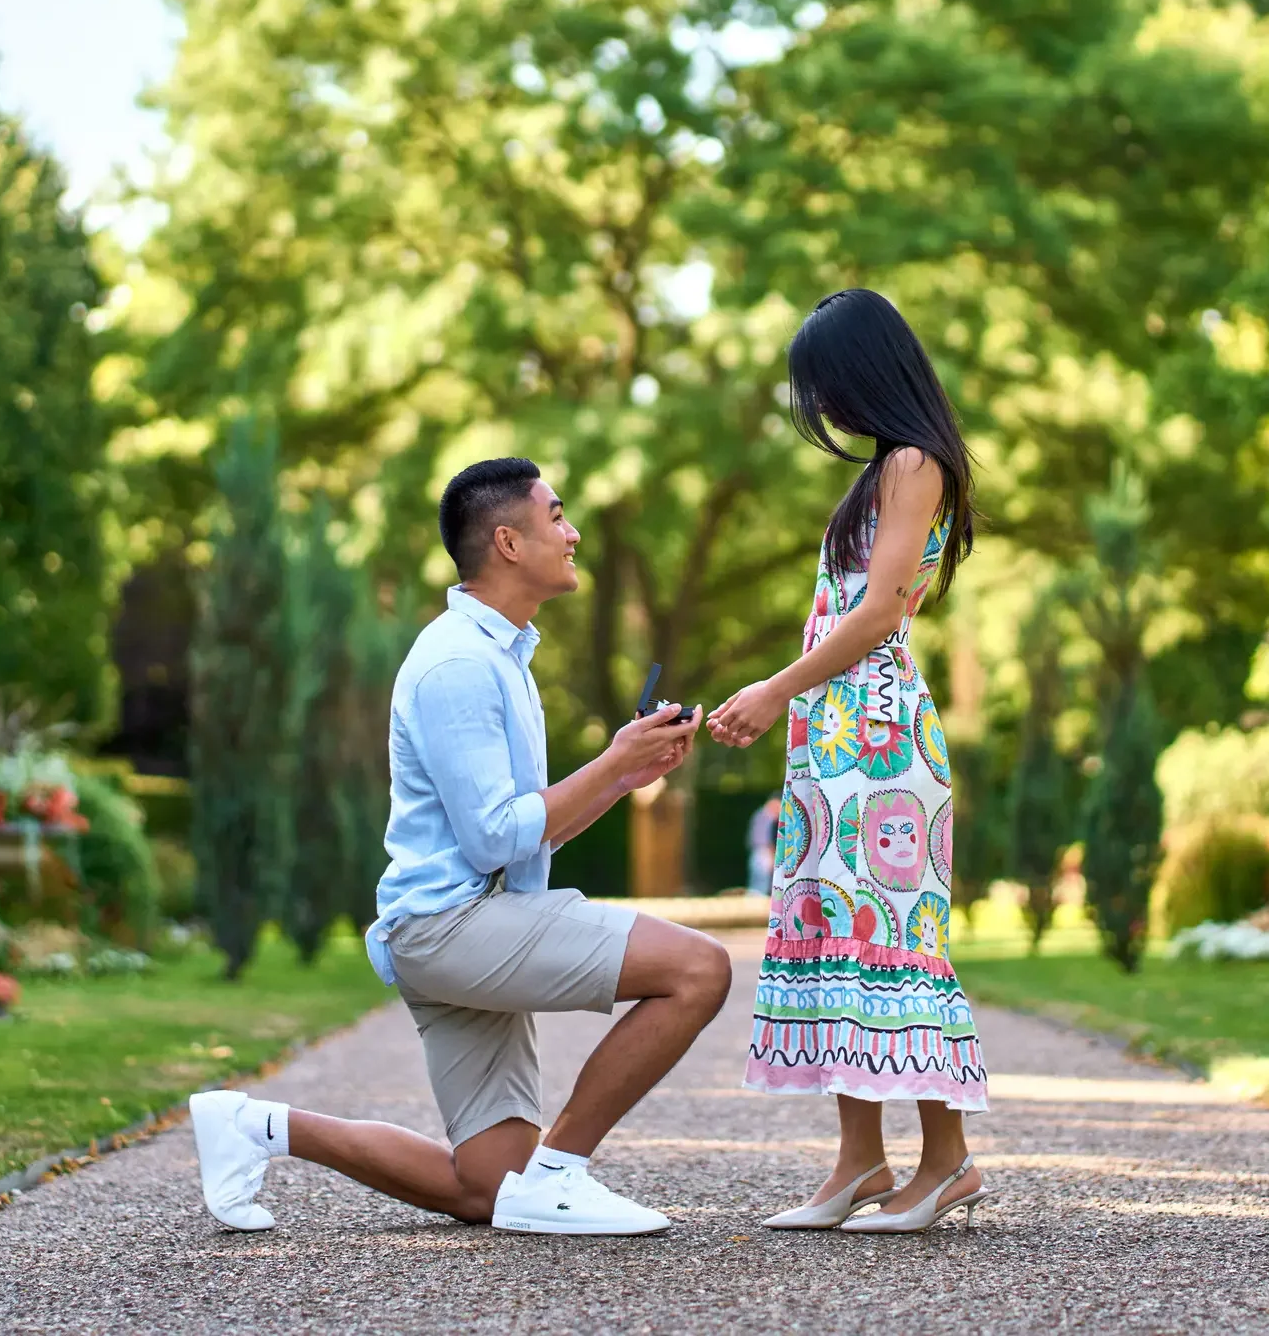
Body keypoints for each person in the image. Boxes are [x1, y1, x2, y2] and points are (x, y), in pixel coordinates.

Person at [188, 457, 730, 1236]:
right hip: (452, 927)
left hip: (457, 923)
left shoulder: (501, 655)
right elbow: (491, 839)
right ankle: (560, 1170)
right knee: (698, 968)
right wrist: (612, 762)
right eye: (558, 516)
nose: (573, 534)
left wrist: (620, 777)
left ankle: (254, 1126)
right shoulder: (456, 664)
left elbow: (522, 837)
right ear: (509, 542)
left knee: (484, 1189)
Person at [708, 288, 993, 1234]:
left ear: (866, 372)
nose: (823, 411)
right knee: (839, 936)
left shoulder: (915, 463)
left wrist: (774, 688)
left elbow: (875, 616)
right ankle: (861, 1161)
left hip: (877, 740)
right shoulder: (887, 468)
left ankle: (947, 1162)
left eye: (826, 388)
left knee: (891, 941)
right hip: (836, 743)